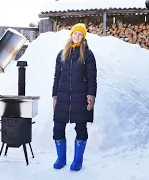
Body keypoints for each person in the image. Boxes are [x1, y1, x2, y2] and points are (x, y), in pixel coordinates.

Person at [52, 23, 97, 171]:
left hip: (80, 98)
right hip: (63, 96)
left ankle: (77, 161)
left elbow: (92, 78)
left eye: (80, 34)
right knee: (58, 128)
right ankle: (61, 158)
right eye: (74, 33)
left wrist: (91, 95)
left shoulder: (88, 54)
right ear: (71, 35)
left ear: (83, 37)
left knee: (81, 128)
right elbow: (57, 76)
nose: (76, 36)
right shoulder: (61, 54)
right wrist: (54, 96)